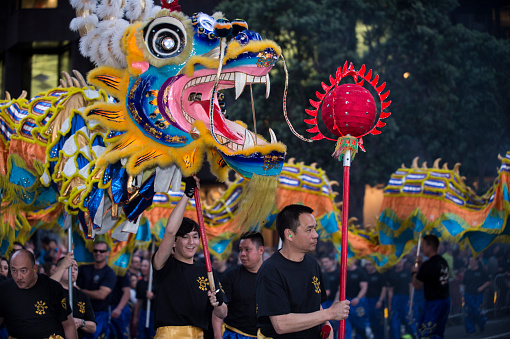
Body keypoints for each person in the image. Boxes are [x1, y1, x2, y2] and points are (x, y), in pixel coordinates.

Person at [256, 204, 350, 338]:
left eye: (315, 229)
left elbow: (316, 306)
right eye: (309, 230)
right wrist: (330, 313)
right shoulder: (271, 270)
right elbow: (281, 324)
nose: (316, 235)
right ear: (289, 234)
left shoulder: (312, 264)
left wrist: (327, 326)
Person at [152, 176, 227, 338]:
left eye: (195, 236)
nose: (191, 242)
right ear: (174, 242)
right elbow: (170, 231)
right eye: (185, 237)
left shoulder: (206, 270)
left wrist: (219, 303)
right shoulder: (164, 265)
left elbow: (222, 313)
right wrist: (187, 195)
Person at [0, 249, 78, 339]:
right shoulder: (4, 290)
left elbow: (68, 325)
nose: (18, 277)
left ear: (34, 268)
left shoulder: (52, 288)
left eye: (23, 271)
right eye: (14, 270)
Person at [211, 231, 265, 338]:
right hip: (235, 334)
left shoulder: (273, 276)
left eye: (247, 249)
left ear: (261, 250)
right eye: (240, 250)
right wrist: (218, 336)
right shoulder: (231, 275)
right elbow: (218, 313)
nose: (242, 254)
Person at [412, 234, 450, 339]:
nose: (422, 248)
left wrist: (414, 273)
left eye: (423, 245)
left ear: (430, 246)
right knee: (438, 332)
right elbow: (432, 271)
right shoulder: (443, 261)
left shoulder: (428, 265)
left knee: (426, 333)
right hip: (445, 301)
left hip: (434, 304)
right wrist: (422, 264)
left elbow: (417, 284)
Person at [76, 241, 117, 339]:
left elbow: (101, 294)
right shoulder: (83, 268)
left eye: (102, 251)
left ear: (107, 253)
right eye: (96, 250)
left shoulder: (109, 273)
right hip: (81, 312)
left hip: (99, 313)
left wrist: (79, 291)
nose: (98, 253)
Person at [51, 253, 97, 338]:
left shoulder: (83, 296)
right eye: (68, 267)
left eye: (75, 269)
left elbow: (93, 327)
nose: (73, 271)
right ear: (58, 269)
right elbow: (47, 287)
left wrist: (80, 322)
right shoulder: (52, 290)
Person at [386, 260, 417, 339]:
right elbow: (390, 291)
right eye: (397, 262)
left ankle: (413, 335)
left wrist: (411, 299)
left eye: (400, 262)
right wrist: (389, 305)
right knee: (394, 322)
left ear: (403, 262)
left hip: (406, 298)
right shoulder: (392, 274)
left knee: (408, 320)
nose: (398, 263)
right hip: (396, 299)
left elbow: (411, 286)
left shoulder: (407, 273)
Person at [462, 256, 491, 336]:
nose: (470, 262)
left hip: (478, 295)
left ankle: (482, 324)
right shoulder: (467, 272)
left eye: (472, 260)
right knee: (469, 312)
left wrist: (481, 288)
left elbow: (488, 281)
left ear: (476, 261)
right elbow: (464, 283)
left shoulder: (481, 271)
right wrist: (462, 292)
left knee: (477, 312)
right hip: (468, 294)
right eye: (470, 260)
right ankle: (471, 330)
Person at [344, 260, 369, 339]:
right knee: (346, 325)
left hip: (358, 302)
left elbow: (364, 287)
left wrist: (358, 298)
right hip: (346, 301)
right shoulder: (343, 272)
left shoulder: (360, 272)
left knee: (360, 324)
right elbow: (339, 288)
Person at [364, 260, 386, 339]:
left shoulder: (379, 275)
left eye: (369, 264)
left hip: (376, 300)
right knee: (369, 320)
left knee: (378, 321)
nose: (368, 266)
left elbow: (384, 288)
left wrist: (380, 300)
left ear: (374, 265)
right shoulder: (365, 275)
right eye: (366, 265)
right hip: (367, 300)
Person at [134, 258, 156, 339]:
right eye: (142, 266)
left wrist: (153, 296)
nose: (143, 268)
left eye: (145, 266)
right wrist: (136, 316)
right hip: (143, 312)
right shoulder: (140, 283)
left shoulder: (157, 282)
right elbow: (139, 300)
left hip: (154, 313)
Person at [319, 253, 340, 337]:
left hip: (333, 301)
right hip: (324, 302)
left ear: (331, 262)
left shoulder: (337, 273)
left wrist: (335, 302)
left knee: (335, 325)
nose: (325, 264)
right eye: (323, 262)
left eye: (326, 262)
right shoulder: (322, 274)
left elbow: (339, 290)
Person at [109, 270, 132, 339]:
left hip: (120, 309)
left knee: (122, 334)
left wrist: (119, 309)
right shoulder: (103, 270)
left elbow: (127, 293)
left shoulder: (121, 271)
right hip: (105, 309)